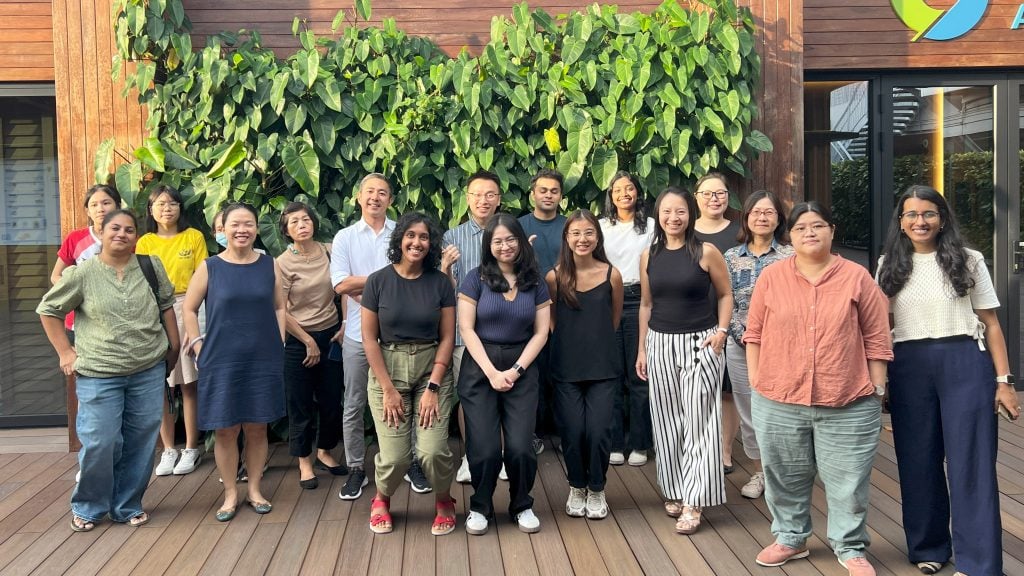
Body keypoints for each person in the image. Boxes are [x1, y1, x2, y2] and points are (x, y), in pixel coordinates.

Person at [876, 185, 1019, 576]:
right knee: (917, 460)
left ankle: (979, 563)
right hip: (908, 366)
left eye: (929, 213)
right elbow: (880, 327)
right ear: (901, 222)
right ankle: (929, 547)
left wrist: (1004, 381)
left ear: (942, 219)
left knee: (971, 463)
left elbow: (991, 324)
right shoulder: (888, 264)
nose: (920, 221)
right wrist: (881, 379)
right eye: (911, 214)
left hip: (965, 363)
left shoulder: (969, 260)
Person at [744, 202, 892, 576]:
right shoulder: (772, 278)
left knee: (848, 482)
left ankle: (850, 546)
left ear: (832, 230)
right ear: (790, 236)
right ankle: (790, 538)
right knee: (784, 476)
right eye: (800, 228)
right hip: (778, 397)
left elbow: (877, 337)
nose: (809, 233)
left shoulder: (857, 277)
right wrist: (757, 381)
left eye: (818, 225)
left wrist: (877, 388)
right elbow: (754, 333)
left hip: (848, 399)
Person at [38, 209, 179, 531]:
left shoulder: (150, 266)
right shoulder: (82, 273)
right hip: (99, 373)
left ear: (136, 237)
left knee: (141, 441)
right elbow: (49, 310)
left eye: (129, 230)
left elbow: (166, 306)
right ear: (100, 233)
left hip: (147, 369)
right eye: (115, 228)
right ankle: (89, 506)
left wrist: (173, 347)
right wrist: (65, 353)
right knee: (101, 442)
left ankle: (127, 505)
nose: (122, 234)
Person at [636, 186, 733, 535]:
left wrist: (722, 332)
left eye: (680, 211)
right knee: (667, 422)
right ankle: (676, 488)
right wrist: (642, 348)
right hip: (660, 342)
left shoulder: (706, 252)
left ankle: (695, 499)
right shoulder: (649, 255)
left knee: (700, 422)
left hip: (700, 343)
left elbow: (725, 294)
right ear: (658, 216)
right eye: (666, 211)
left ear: (690, 214)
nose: (673, 218)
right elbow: (646, 305)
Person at [183, 202, 285, 522]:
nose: (242, 230)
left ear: (256, 228)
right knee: (225, 429)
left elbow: (280, 307)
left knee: (257, 426)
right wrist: (198, 345)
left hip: (262, 357)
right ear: (223, 229)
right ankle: (230, 492)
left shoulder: (269, 264)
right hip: (220, 358)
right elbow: (189, 308)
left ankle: (254, 489)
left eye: (248, 224)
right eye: (235, 224)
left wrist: (280, 341)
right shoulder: (210, 267)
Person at [361, 212, 457, 535]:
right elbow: (369, 339)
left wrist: (433, 387)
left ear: (431, 244)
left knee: (433, 451)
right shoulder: (377, 282)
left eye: (424, 237)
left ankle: (444, 500)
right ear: (400, 239)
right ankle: (381, 499)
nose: (417, 242)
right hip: (388, 371)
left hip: (432, 370)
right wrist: (388, 389)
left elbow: (447, 337)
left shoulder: (440, 283)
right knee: (395, 458)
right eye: (411, 235)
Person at [458, 214, 551, 535]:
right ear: (489, 245)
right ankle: (480, 506)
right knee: (483, 448)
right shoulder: (475, 279)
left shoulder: (535, 281)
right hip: (480, 367)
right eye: (497, 241)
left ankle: (522, 504)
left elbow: (541, 332)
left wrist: (515, 370)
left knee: (521, 446)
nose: (505, 246)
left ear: (521, 241)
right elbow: (466, 329)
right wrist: (492, 372)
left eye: (511, 239)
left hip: (521, 367)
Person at [546, 210, 623, 520]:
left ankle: (597, 487)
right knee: (573, 430)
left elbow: (613, 319)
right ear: (566, 238)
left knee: (599, 430)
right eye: (576, 233)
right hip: (566, 366)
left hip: (603, 366)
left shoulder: (612, 275)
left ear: (597, 237)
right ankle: (577, 485)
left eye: (589, 232)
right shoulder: (554, 277)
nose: (582, 239)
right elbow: (552, 321)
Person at [722, 191, 792, 500]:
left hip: (782, 348)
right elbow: (725, 299)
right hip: (739, 345)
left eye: (769, 212)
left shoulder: (790, 256)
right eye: (756, 212)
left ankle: (784, 473)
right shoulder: (731, 257)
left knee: (783, 411)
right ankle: (760, 471)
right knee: (749, 411)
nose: (762, 218)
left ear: (779, 219)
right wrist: (739, 334)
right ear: (747, 218)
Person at [330, 173, 396, 500]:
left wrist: (363, 285)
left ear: (390, 200)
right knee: (354, 403)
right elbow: (340, 284)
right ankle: (356, 467)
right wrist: (385, 282)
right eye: (369, 191)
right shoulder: (345, 237)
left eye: (382, 192)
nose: (375, 197)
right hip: (357, 335)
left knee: (400, 398)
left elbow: (412, 278)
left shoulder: (401, 233)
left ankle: (405, 461)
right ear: (358, 197)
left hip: (397, 334)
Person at [137, 184, 207, 477]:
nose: (167, 209)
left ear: (181, 208)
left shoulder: (194, 237)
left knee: (189, 383)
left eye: (173, 203)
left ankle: (191, 447)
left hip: (188, 306)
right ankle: (168, 449)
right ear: (151, 210)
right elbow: (141, 281)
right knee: (161, 385)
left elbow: (202, 278)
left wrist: (193, 324)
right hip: (153, 311)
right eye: (161, 204)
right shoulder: (145, 242)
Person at [277, 202, 346, 490]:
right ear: (286, 230)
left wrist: (344, 324)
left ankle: (325, 451)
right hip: (297, 339)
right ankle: (304, 461)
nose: (301, 225)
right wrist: (307, 340)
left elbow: (344, 288)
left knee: (331, 401)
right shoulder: (282, 263)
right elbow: (280, 309)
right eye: (294, 222)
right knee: (300, 403)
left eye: (305, 219)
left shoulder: (330, 251)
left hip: (332, 335)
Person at [441, 170, 504, 483]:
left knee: (503, 395)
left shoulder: (508, 233)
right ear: (467, 198)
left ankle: (501, 454)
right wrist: (444, 268)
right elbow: (446, 291)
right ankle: (472, 455)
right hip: (463, 334)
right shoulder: (452, 237)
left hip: (504, 332)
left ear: (499, 199)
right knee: (470, 396)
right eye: (477, 194)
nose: (483, 200)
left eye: (490, 194)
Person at [599, 171, 655, 467]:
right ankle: (615, 443)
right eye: (618, 189)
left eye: (629, 188)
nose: (624, 193)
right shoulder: (600, 227)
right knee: (612, 375)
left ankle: (640, 444)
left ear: (638, 193)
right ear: (610, 195)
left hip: (639, 299)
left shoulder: (651, 226)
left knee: (638, 374)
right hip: (607, 300)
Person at [693, 172, 742, 475]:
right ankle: (696, 447)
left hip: (731, 323)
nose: (715, 199)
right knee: (694, 389)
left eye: (720, 193)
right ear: (696, 198)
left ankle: (724, 450)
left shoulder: (739, 233)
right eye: (708, 193)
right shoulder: (685, 232)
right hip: (691, 321)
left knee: (727, 391)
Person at [517, 169, 566, 456]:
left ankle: (562, 432)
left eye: (554, 191)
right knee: (531, 373)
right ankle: (531, 433)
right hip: (527, 310)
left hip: (565, 309)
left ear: (561, 196)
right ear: (533, 193)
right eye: (543, 190)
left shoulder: (569, 225)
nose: (548, 195)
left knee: (561, 373)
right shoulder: (518, 226)